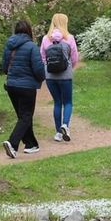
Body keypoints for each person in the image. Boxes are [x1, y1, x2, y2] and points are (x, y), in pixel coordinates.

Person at [1, 18, 45, 158]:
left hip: (11, 85)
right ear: (29, 31)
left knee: (23, 116)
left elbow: (4, 67)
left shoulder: (9, 45)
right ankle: (12, 143)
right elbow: (38, 69)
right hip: (26, 86)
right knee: (26, 116)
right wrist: (41, 78)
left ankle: (31, 144)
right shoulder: (32, 46)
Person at [40, 13, 80, 142]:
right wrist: (70, 67)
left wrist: (47, 68)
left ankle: (58, 132)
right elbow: (74, 57)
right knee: (68, 102)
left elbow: (43, 58)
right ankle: (65, 126)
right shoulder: (69, 38)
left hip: (50, 75)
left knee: (57, 102)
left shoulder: (46, 39)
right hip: (65, 74)